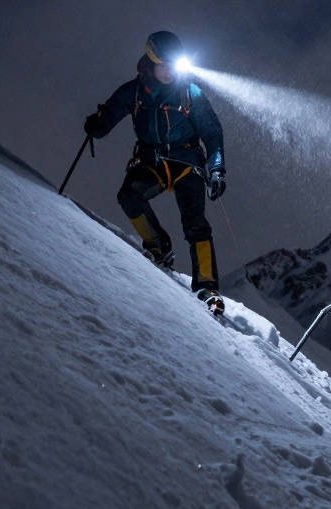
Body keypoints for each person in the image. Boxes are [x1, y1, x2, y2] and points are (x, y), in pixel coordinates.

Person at [84, 31, 228, 315]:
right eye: (164, 65)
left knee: (195, 222)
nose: (170, 71)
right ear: (150, 63)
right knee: (129, 196)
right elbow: (106, 121)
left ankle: (208, 288)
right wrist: (96, 124)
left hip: (187, 161)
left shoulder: (191, 92)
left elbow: (212, 133)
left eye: (174, 65)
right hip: (151, 159)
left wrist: (216, 169)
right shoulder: (134, 92)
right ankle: (158, 246)